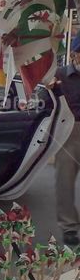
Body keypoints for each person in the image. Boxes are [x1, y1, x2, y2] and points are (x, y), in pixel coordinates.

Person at [52, 37, 80, 245]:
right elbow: (50, 101)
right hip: (70, 129)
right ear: (74, 55)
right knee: (65, 180)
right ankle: (69, 227)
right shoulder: (62, 74)